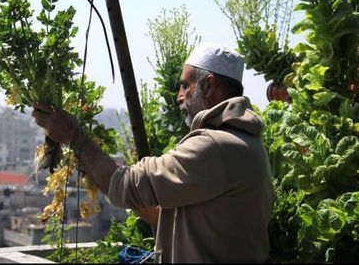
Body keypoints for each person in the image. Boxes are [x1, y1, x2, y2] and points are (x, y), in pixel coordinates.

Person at [32, 43, 275, 263]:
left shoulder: (216, 146)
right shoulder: (246, 142)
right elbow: (169, 217)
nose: (179, 96)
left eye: (184, 85)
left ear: (209, 85)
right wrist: (97, 169)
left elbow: (128, 185)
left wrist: (74, 137)